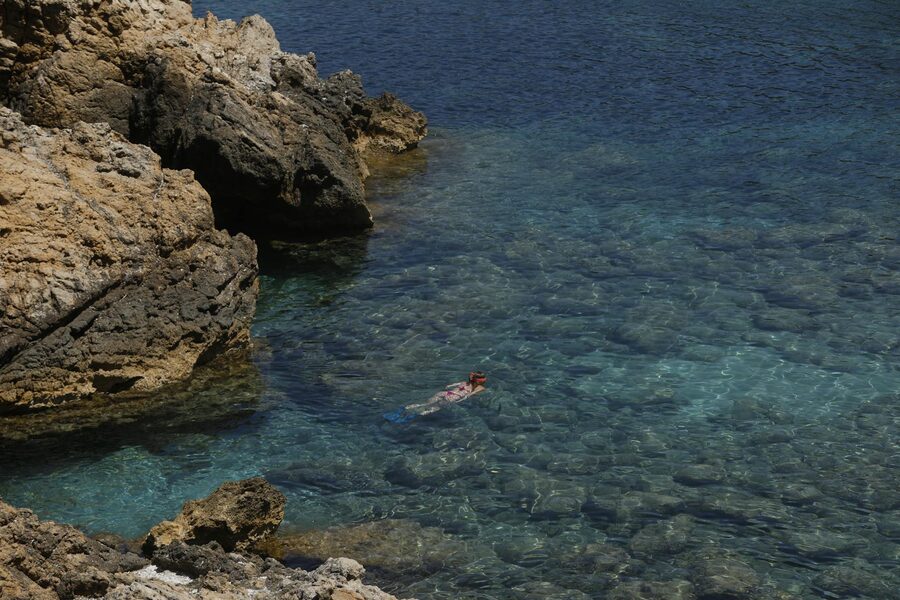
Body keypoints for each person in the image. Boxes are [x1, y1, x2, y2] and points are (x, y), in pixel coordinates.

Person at [384, 371, 488, 423]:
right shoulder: (480, 388)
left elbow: (448, 386)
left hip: (444, 393)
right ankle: (410, 417)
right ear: (479, 380)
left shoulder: (464, 382)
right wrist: (458, 401)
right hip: (453, 398)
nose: (485, 379)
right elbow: (468, 396)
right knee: (434, 408)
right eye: (483, 378)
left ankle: (404, 409)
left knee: (426, 404)